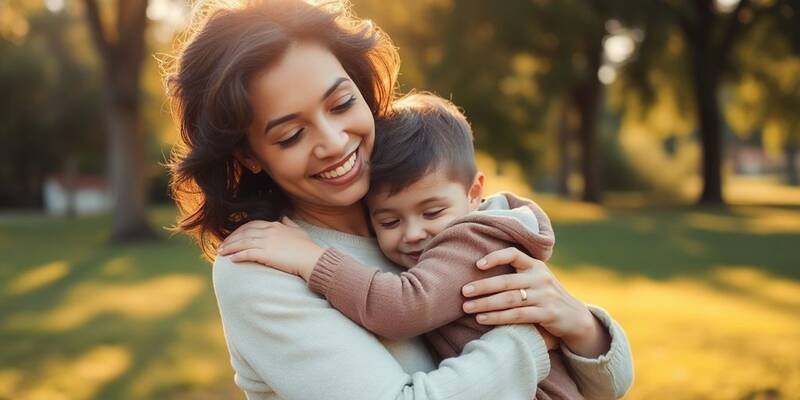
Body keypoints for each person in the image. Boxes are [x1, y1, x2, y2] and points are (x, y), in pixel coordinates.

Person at [167, 1, 633, 399]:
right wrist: (531, 342)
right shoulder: (260, 269)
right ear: (249, 155)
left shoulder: (421, 215)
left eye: (341, 104)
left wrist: (576, 324)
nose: (332, 141)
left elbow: (608, 384)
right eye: (291, 134)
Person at [222, 92, 597, 400]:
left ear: (474, 193)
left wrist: (314, 260)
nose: (414, 233)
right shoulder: (256, 276)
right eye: (389, 221)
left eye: (340, 105)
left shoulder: (473, 237)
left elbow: (403, 308)